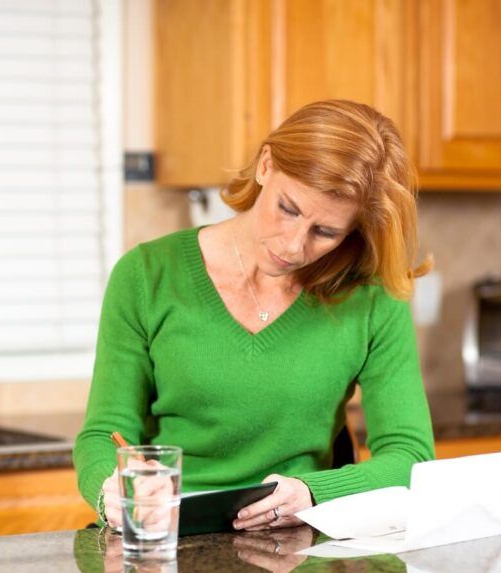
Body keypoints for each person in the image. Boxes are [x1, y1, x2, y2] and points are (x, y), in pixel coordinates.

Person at [73, 99, 436, 532]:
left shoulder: (373, 297)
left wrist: (313, 492)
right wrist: (110, 491)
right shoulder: (147, 275)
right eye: (288, 208)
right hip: (162, 544)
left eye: (326, 232)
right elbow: (102, 435)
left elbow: (410, 456)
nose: (293, 246)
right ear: (266, 165)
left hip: (298, 554)